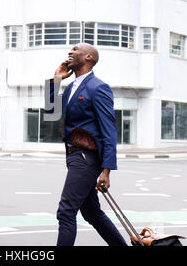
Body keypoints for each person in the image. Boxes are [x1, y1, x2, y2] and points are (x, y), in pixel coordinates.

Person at [52, 43, 127, 246]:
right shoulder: (71, 88)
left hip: (86, 157)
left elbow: (109, 129)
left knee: (66, 211)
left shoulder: (98, 87)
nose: (70, 52)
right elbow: (52, 114)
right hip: (74, 155)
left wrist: (107, 170)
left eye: (76, 49)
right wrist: (56, 80)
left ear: (89, 58)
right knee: (92, 213)